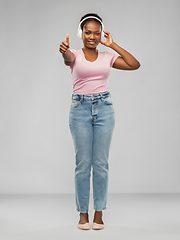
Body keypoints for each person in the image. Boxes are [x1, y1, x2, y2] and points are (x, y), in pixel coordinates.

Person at [59, 13, 140, 230]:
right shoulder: (74, 54)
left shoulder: (107, 57)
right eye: (88, 32)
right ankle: (83, 214)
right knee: (83, 164)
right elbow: (68, 59)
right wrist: (65, 51)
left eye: (96, 33)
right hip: (80, 109)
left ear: (100, 34)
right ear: (81, 33)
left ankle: (99, 213)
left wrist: (113, 45)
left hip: (104, 109)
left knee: (101, 164)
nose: (92, 37)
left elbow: (134, 64)